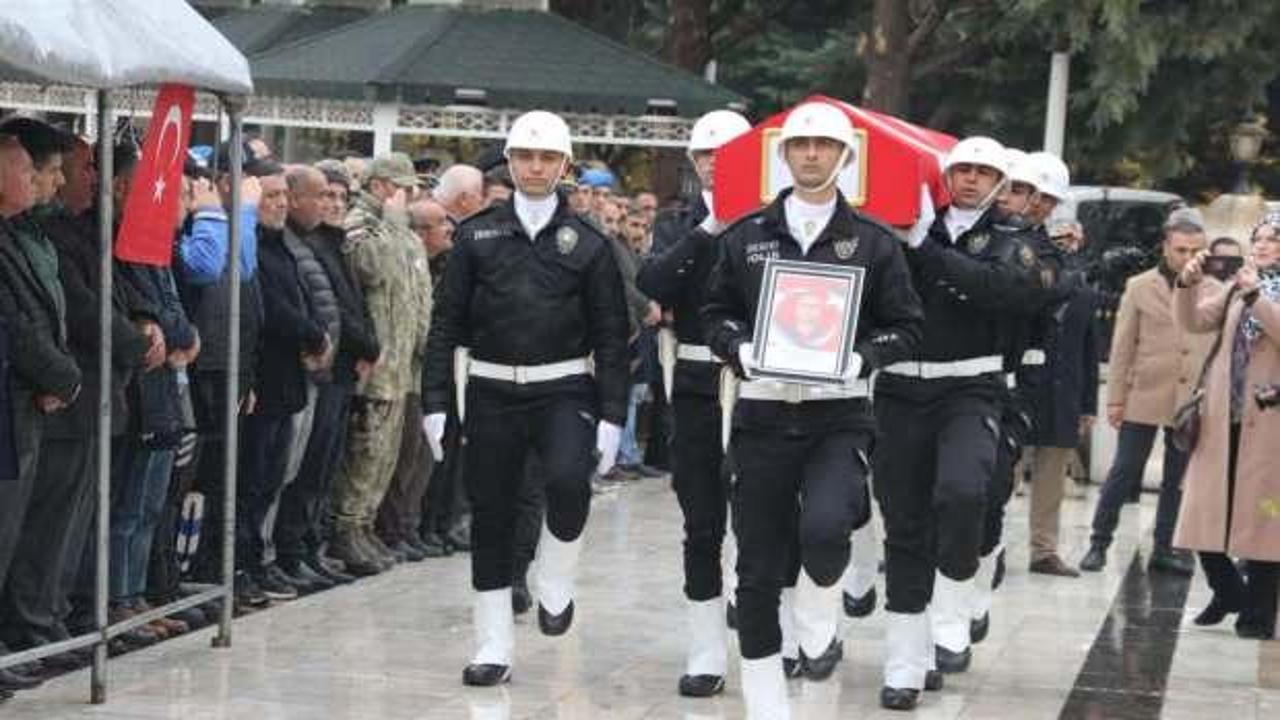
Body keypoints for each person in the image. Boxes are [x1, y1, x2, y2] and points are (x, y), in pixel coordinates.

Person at [703, 102, 923, 719]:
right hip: (763, 414)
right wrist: (736, 346)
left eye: (824, 146)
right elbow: (713, 313)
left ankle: (819, 618)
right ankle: (767, 704)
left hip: (838, 415)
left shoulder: (875, 244)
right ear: (784, 154)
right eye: (800, 146)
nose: (811, 155)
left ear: (844, 156)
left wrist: (863, 358)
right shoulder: (746, 237)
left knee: (827, 531)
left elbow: (907, 326)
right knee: (755, 565)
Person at [422, 110, 629, 687]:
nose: (535, 167)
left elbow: (612, 336)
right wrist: (435, 399)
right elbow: (446, 325)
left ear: (563, 167)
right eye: (524, 157)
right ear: (509, 163)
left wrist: (614, 413)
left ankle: (556, 577)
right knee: (491, 512)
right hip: (491, 389)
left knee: (567, 483)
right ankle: (492, 643)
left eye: (546, 158)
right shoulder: (477, 235)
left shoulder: (590, 245)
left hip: (564, 388)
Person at [875, 136, 1050, 709]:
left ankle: (953, 610)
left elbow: (1001, 290)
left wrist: (926, 246)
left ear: (1001, 181)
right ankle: (906, 658)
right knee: (903, 525)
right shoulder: (904, 228)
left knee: (964, 493)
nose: (970, 179)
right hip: (901, 389)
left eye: (983, 172)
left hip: (969, 388)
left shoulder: (1013, 239)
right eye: (962, 170)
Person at [637, 108, 751, 697]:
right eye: (704, 155)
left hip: (759, 387)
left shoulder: (773, 219)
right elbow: (655, 282)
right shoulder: (681, 222)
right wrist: (708, 230)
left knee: (762, 520)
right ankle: (705, 651)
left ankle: (771, 634)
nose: (713, 163)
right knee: (701, 522)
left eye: (725, 153)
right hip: (697, 383)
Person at [1078, 208, 1214, 576]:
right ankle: (1098, 542)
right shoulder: (1139, 286)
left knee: (1178, 479)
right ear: (1166, 248)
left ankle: (1165, 548)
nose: (1188, 257)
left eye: (1195, 250)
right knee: (1124, 471)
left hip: (1192, 401)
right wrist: (1116, 398)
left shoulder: (1215, 288)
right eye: (1181, 249)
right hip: (1144, 393)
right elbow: (1122, 347)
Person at [1173, 214, 1280, 640]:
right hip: (1222, 418)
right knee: (1203, 508)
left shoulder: (1253, 290)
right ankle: (1227, 589)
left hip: (1270, 422)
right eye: (1259, 237)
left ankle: (1258, 614)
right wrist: (1187, 284)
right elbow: (1196, 321)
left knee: (1268, 520)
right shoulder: (1240, 286)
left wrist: (1256, 296)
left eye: (1274, 239)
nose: (1263, 244)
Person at [0, 132, 81, 692]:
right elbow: (16, 325)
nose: (35, 180)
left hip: (25, 404)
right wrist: (62, 375)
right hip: (14, 395)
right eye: (26, 171)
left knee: (12, 532)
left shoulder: (18, 233)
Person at [278, 163, 380, 580]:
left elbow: (355, 304)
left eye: (339, 197)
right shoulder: (307, 244)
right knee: (303, 467)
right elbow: (330, 308)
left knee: (323, 466)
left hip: (342, 371)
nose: (332, 204)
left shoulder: (336, 244)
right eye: (324, 196)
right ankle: (290, 549)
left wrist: (369, 345)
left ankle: (308, 546)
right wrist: (363, 344)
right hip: (323, 368)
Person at [235, 165, 328, 601]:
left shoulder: (281, 247)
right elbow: (270, 309)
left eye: (281, 196)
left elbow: (302, 299)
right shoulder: (251, 246)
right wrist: (312, 333)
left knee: (273, 479)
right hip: (262, 383)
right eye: (268, 196)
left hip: (286, 382)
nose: (278, 204)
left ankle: (259, 561)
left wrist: (316, 333)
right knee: (249, 481)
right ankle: (240, 566)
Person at [329, 153, 422, 573]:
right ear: (382, 185)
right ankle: (346, 528)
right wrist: (395, 224)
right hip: (375, 368)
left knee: (384, 455)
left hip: (398, 366)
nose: (409, 196)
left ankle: (364, 525)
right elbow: (372, 270)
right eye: (402, 188)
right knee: (365, 452)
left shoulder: (392, 228)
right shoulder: (362, 226)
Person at [374, 197, 435, 561]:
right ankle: (390, 529)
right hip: (398, 373)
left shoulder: (426, 259)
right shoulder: (388, 245)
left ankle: (408, 527)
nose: (448, 231)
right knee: (397, 458)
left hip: (419, 374)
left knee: (419, 458)